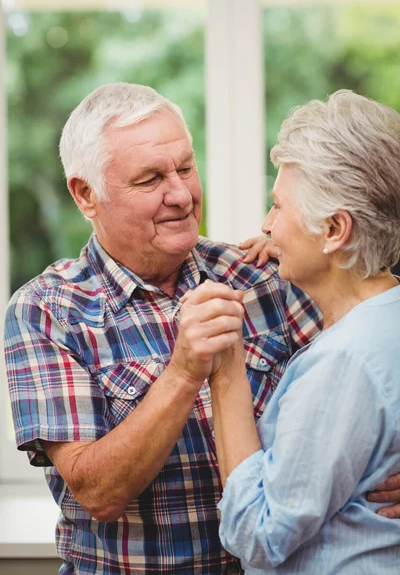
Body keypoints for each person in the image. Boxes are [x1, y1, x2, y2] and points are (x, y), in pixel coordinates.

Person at [4, 83, 399, 574]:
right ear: (87, 195)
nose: (181, 194)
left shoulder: (263, 273)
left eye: (186, 168)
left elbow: (377, 352)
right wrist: (184, 373)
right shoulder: (48, 310)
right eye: (150, 179)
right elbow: (96, 494)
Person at [190, 90, 400, 573]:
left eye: (279, 209)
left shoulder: (344, 362)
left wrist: (225, 373)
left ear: (334, 231)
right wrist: (292, 253)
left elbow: (259, 534)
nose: (266, 226)